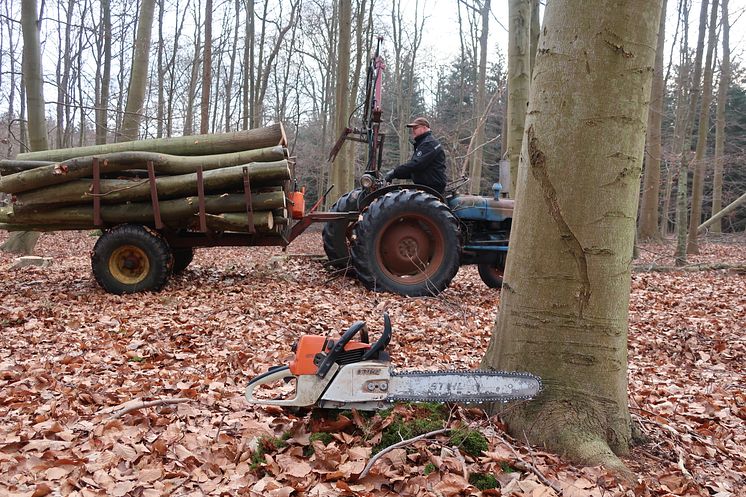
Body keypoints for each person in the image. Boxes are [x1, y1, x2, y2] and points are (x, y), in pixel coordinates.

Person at [384, 117, 447, 195]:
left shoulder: (428, 143)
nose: (413, 131)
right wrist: (396, 175)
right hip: (428, 186)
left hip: (431, 187)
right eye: (412, 128)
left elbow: (416, 164)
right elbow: (417, 171)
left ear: (424, 128)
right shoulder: (424, 143)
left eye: (416, 128)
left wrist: (394, 172)